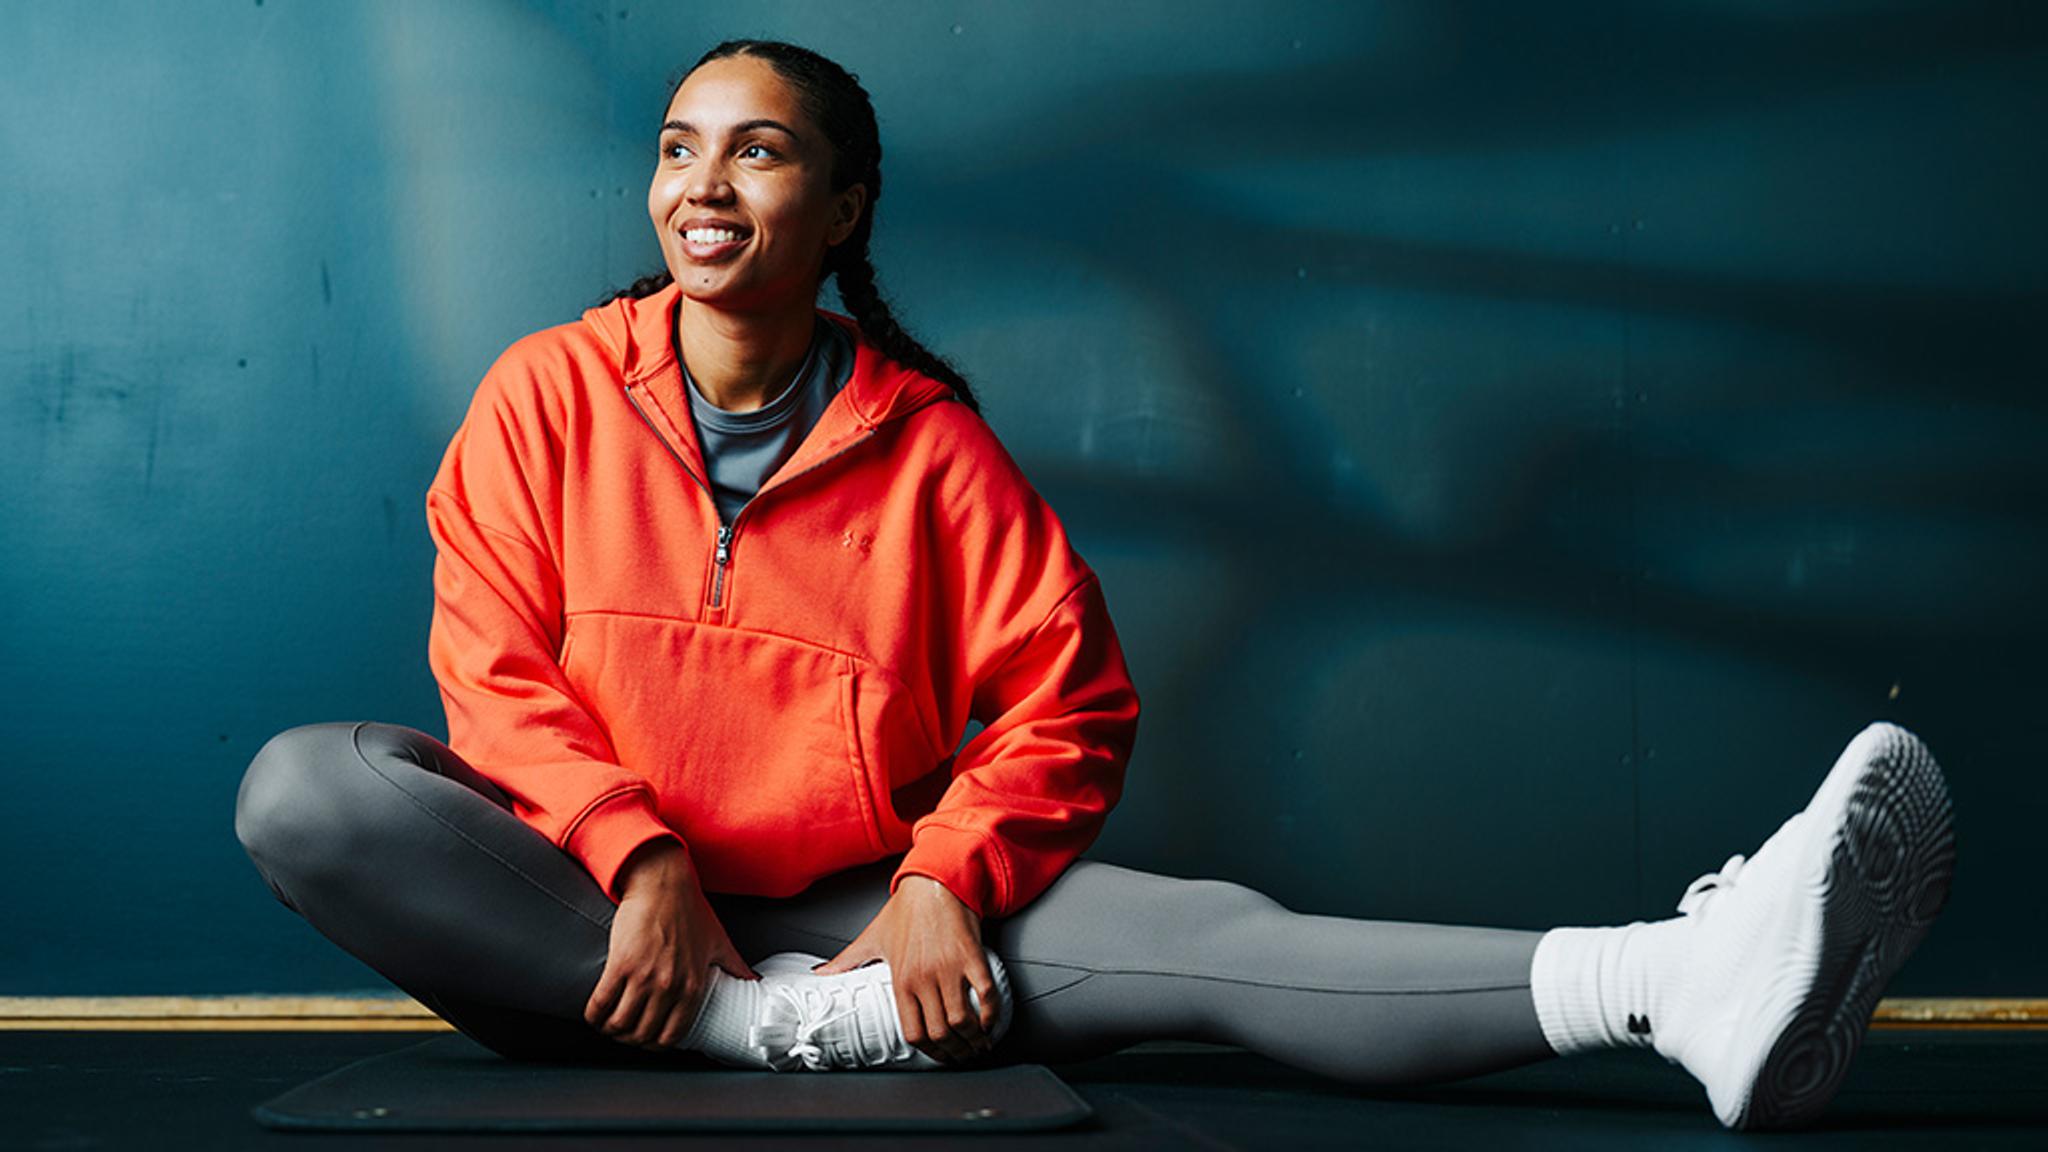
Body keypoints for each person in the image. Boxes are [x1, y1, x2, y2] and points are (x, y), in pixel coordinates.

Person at [233, 38, 1957, 1129]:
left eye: (757, 152)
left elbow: (1072, 703)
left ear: (843, 205)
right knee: (311, 787)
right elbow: (495, 671)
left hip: (852, 923)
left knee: (1219, 943)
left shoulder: (931, 451)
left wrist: (938, 883)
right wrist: (641, 858)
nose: (703, 181)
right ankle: (769, 1041)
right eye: (682, 145)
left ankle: (1682, 983)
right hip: (583, 925)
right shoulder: (546, 393)